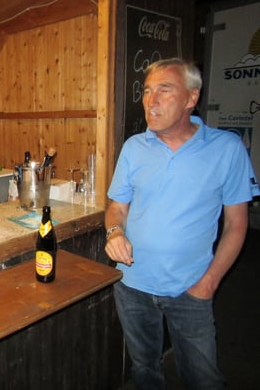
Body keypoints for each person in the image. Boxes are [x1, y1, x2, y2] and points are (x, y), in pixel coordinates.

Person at [104, 58, 259, 389]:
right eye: (147, 91)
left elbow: (236, 225)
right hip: (132, 284)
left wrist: (209, 283)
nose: (151, 100)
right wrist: (114, 232)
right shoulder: (134, 147)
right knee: (144, 371)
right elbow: (117, 207)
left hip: (191, 287)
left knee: (203, 379)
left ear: (191, 97)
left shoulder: (227, 148)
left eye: (164, 90)